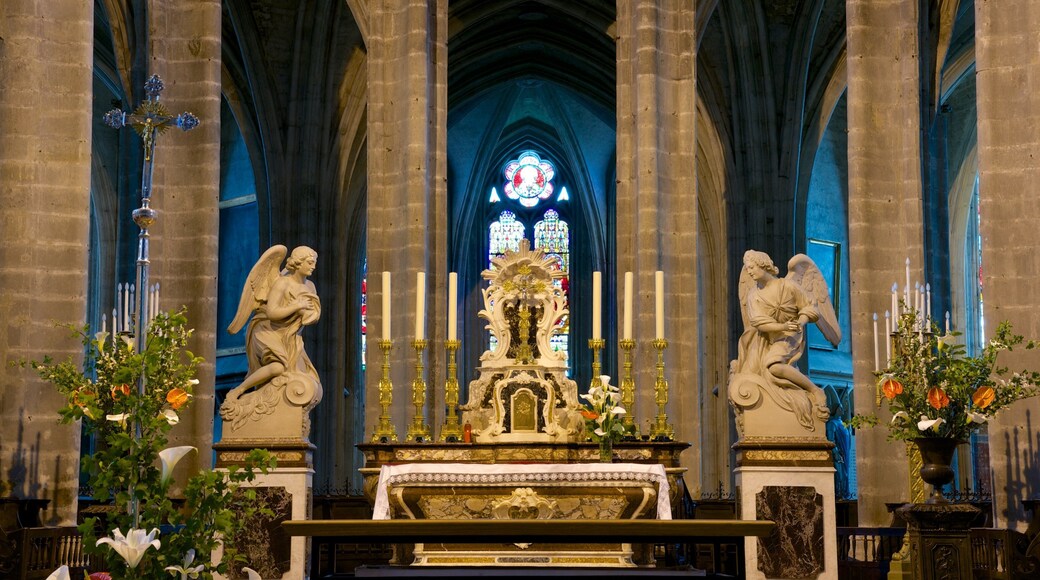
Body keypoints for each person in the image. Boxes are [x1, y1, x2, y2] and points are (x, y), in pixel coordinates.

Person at [220, 246, 321, 424]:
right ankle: (237, 391)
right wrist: (296, 306)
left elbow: (308, 315)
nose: (313, 266)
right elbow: (273, 312)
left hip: (290, 335)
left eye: (314, 263)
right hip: (267, 329)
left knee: (308, 378)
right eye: (310, 262)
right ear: (298, 263)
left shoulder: (310, 286)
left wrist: (309, 314)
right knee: (278, 368)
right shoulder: (282, 283)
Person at [734, 250, 828, 430]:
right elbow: (759, 323)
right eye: (748, 269)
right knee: (754, 371)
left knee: (773, 365)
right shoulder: (754, 295)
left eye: (752, 267)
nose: (750, 272)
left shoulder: (787, 285)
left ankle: (815, 390)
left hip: (791, 335)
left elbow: (810, 307)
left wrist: (800, 322)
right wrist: (783, 327)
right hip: (769, 337)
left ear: (763, 265)